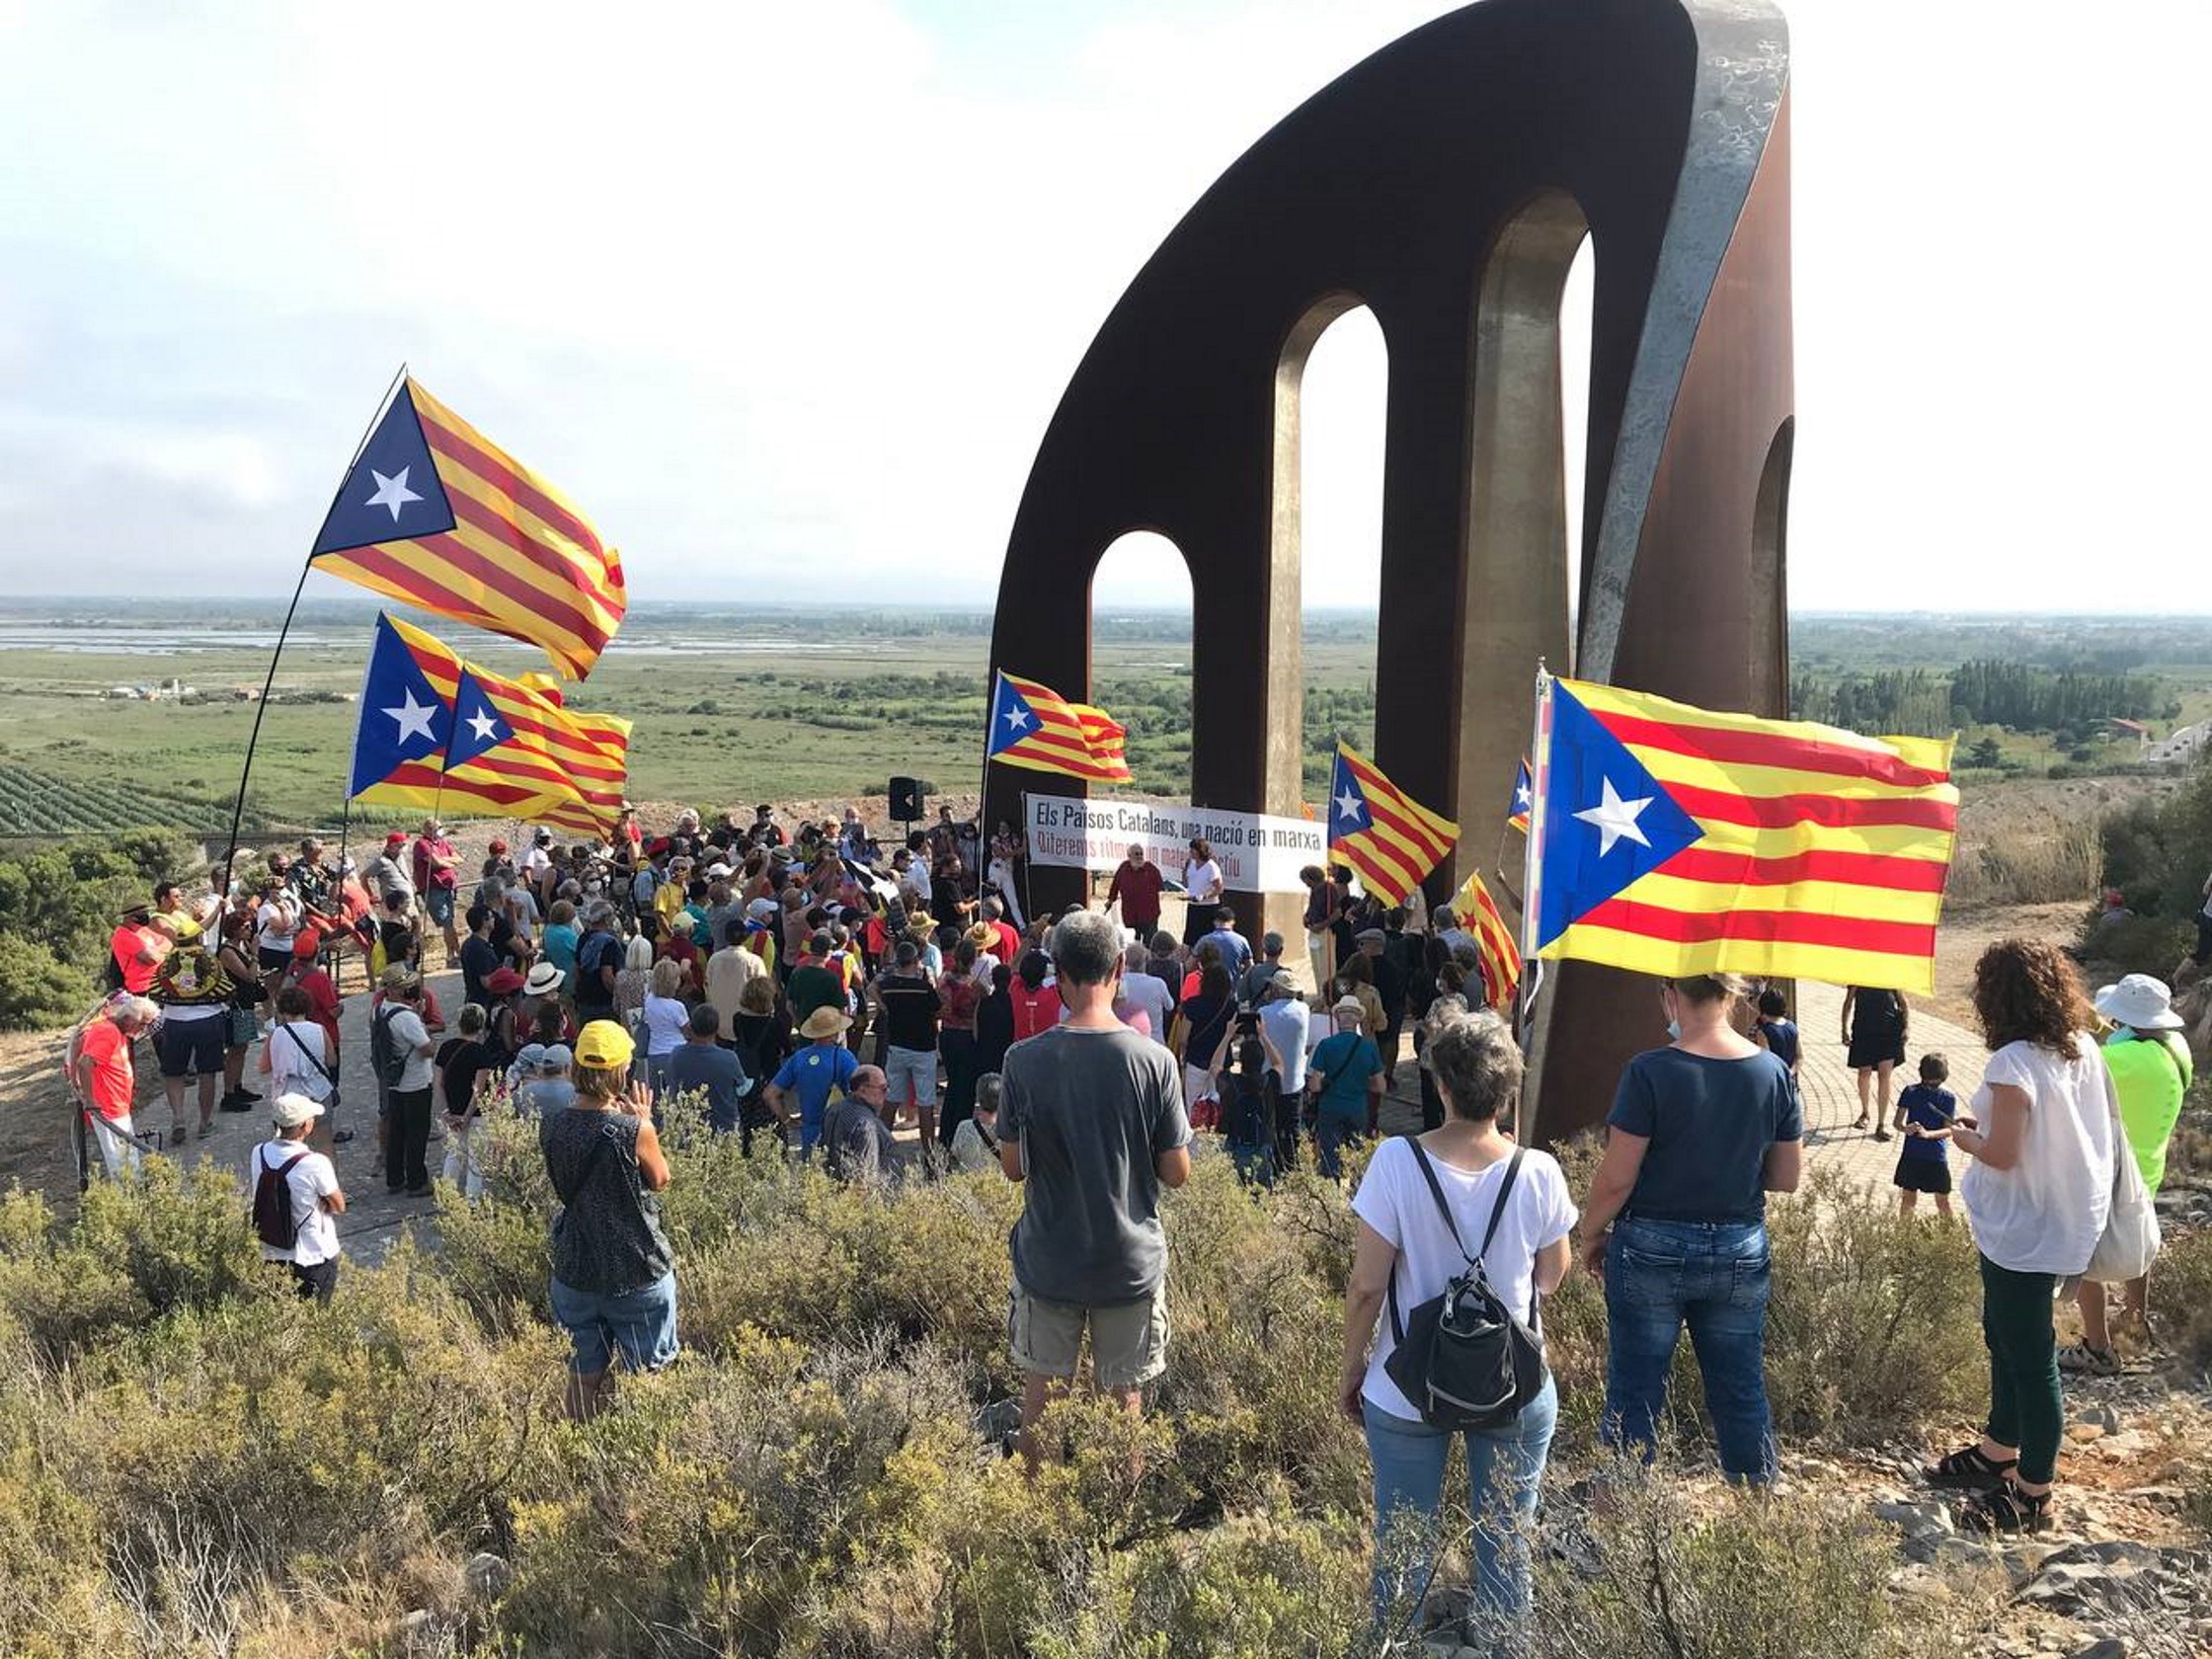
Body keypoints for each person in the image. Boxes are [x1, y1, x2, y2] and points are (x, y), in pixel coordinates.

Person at [1340, 1010, 1575, 1642]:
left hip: (1407, 1383)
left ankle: (1399, 1647)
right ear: (1506, 1090)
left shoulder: (1396, 1163)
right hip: (1513, 1384)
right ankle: (1502, 1646)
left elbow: (1366, 1286)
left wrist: (1353, 1368)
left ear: (1441, 1084)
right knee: (1506, 1542)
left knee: (1404, 1542)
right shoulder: (1539, 1171)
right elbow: (1551, 1277)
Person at [1923, 939, 2117, 1535]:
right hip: (2066, 1216)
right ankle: (1998, 1448)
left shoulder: (2011, 1062)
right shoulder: (2082, 1046)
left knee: (2029, 1357)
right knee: (2004, 1335)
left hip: (2023, 1226)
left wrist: (1964, 1138)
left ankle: (2032, 1493)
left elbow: (2003, 1154)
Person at [1578, 974, 1801, 1484]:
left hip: (1651, 1245)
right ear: (1731, 997)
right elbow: (1787, 1178)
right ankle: (1756, 1519)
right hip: (1739, 1246)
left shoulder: (1649, 1072)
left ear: (1670, 995)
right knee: (1740, 1388)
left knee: (1635, 1390)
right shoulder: (1772, 1072)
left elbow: (1616, 1178)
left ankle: (1618, 1516)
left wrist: (1591, 1234)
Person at [997, 910, 1192, 1464]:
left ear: (1058, 972)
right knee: (1122, 1411)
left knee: (1042, 1406)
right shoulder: (1154, 1062)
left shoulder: (1022, 1061)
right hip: (1127, 1260)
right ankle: (1115, 1535)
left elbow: (1013, 1168)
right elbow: (1176, 1172)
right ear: (1117, 970)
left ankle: (1037, 1533)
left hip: (1049, 1258)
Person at [541, 1020, 674, 1420]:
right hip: (636, 1267)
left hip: (575, 1266)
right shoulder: (634, 1129)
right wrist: (645, 1121)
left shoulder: (551, 1125)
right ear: (620, 1071)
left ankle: (575, 1451)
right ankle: (647, 1457)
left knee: (583, 1374)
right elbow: (661, 1180)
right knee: (649, 1375)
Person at [2066, 974, 2195, 1375]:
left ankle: (2097, 1346)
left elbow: (2076, 1075)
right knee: (2139, 1244)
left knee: (2084, 1255)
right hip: (2149, 1165)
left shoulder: (2123, 1059)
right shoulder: (2176, 1049)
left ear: (2127, 1023)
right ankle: (2135, 1320)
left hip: (2111, 1169)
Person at [252, 1092, 346, 1304]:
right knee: (316, 1321)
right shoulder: (316, 1163)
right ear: (305, 1126)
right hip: (312, 1255)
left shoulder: (258, 1153)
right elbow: (339, 1205)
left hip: (272, 1253)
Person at [150, 914, 231, 1144]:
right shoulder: (209, 959)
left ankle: (178, 1118)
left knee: (173, 1073)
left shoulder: (166, 962)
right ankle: (205, 1122)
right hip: (208, 1020)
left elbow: (155, 991)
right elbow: (226, 990)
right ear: (198, 936)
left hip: (175, 1022)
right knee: (207, 1072)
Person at [72, 995, 157, 1178]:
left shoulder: (114, 1029)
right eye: (142, 1024)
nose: (142, 1030)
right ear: (129, 1018)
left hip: (116, 1106)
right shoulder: (108, 1032)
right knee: (123, 1163)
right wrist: (90, 1100)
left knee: (127, 1158)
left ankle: (131, 1197)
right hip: (108, 1108)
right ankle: (128, 1200)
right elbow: (84, 1063)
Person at [372, 967, 438, 1198]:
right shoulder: (407, 1018)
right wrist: (422, 1025)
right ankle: (417, 1181)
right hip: (416, 1081)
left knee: (397, 1132)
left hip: (393, 1081)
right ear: (399, 989)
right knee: (417, 1133)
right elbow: (427, 1050)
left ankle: (395, 1177)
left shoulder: (380, 1011)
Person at [766, 1006, 859, 1157]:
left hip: (809, 1131)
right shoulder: (845, 1058)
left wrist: (787, 1119)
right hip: (838, 1128)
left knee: (810, 1174)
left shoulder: (799, 1058)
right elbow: (859, 1093)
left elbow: (769, 1094)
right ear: (835, 1033)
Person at [1308, 997, 1384, 1177]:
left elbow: (1315, 1085)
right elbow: (1380, 1086)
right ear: (1358, 1019)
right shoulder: (1369, 1047)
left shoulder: (1326, 1045)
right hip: (1358, 1108)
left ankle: (1330, 1195)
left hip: (1330, 1109)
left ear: (1337, 1018)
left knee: (1329, 1158)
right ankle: (1355, 1194)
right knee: (1357, 1157)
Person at [870, 940, 941, 1134]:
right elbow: (938, 1010)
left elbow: (871, 987)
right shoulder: (924, 988)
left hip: (897, 1046)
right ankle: (930, 1156)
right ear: (915, 961)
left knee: (892, 1099)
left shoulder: (888, 985)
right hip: (923, 1049)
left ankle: (881, 1145)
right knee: (926, 1104)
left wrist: (883, 1007)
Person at [263, 985, 338, 1147]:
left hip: (287, 1097)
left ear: (282, 1009)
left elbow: (264, 1067)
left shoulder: (276, 1034)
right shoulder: (319, 1030)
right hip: (319, 1092)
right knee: (325, 1145)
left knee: (290, 1149)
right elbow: (332, 1061)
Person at [435, 1003, 497, 1199]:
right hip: (475, 1115)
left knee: (454, 1154)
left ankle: (447, 1196)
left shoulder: (445, 1048)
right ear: (481, 1026)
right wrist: (466, 1116)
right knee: (475, 1158)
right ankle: (473, 1200)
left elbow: (438, 1083)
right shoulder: (481, 1052)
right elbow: (478, 1090)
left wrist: (446, 1112)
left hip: (452, 1111)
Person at [1171, 961, 1237, 1132]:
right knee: (1219, 1109)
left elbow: (1183, 1038)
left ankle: (1194, 1152)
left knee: (1193, 1108)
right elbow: (1234, 1034)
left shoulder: (1193, 1005)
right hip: (1222, 1064)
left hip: (1197, 1060)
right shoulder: (1231, 1006)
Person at [666, 1001, 750, 1134]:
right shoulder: (729, 1058)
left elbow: (671, 1083)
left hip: (688, 1129)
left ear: (691, 1028)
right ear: (717, 1030)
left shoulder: (676, 1055)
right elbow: (743, 1089)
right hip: (724, 1128)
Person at [1892, 1053, 1958, 1219]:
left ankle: (1951, 1234)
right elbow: (1898, 1123)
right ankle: (1904, 1236)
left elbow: (1949, 1130)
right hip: (1915, 1155)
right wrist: (1906, 1128)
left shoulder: (1947, 1098)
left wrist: (1928, 1134)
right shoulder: (1911, 1092)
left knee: (1942, 1200)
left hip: (1933, 1157)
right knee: (1909, 1199)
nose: (1931, 1085)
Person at [1256, 977, 1311, 1169]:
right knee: (1291, 1128)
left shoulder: (1264, 1012)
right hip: (1294, 1080)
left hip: (1270, 1077)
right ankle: (1290, 1166)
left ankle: (1270, 1165)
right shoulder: (1303, 1010)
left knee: (1269, 1125)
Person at [1842, 984, 1908, 1138]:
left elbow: (1903, 1004)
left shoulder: (1891, 974)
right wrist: (1844, 1028)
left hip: (1889, 1031)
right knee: (1863, 1074)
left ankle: (1881, 1123)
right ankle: (1865, 1112)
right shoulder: (1859, 974)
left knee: (1885, 1076)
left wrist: (1907, 1027)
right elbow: (1848, 1003)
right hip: (1863, 1030)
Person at [824, 1064, 901, 1186]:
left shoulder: (833, 1109)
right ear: (863, 1089)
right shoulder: (866, 1125)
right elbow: (865, 1177)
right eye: (883, 1088)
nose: (887, 1092)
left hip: (831, 1188)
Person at [1217, 1035, 1277, 1187]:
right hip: (1261, 1144)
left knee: (1234, 1192)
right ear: (1262, 1060)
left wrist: (1227, 1035)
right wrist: (1264, 1035)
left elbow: (1214, 1065)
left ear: (1240, 1059)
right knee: (1262, 1194)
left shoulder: (1229, 1081)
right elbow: (1279, 1063)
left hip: (1235, 1143)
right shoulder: (1269, 1081)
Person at [412, 818, 462, 966]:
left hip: (448, 887)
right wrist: (447, 862)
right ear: (428, 829)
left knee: (450, 921)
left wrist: (444, 860)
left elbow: (459, 858)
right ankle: (455, 955)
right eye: (438, 827)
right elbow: (436, 862)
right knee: (446, 922)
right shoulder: (421, 844)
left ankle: (452, 954)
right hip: (434, 888)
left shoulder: (442, 843)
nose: (441, 829)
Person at [640, 959, 690, 1098]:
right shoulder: (677, 1007)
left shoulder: (649, 1000)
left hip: (654, 1052)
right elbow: (688, 1032)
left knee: (656, 1097)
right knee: (675, 1096)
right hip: (675, 1052)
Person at [1117, 942, 1175, 1042]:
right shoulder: (1158, 984)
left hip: (1126, 1041)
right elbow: (1170, 1006)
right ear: (1146, 961)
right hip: (1155, 1041)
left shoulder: (1118, 983)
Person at [1106, 843, 1164, 940]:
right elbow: (1115, 885)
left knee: (1149, 946)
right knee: (1132, 946)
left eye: (1141, 854)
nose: (1140, 856)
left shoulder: (1151, 869)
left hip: (1149, 915)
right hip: (1130, 915)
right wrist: (1110, 900)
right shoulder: (1123, 868)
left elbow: (1161, 888)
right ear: (1129, 856)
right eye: (1137, 854)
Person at [949, 1071, 1003, 1173]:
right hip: (1002, 1185)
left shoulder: (964, 1127)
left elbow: (955, 1157)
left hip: (971, 1184)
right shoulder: (1010, 1131)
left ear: (978, 1097)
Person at [1750, 987, 1801, 1085]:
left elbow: (1766, 1062)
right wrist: (1790, 1073)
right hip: (1791, 1082)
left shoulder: (1764, 1032)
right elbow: (1799, 1057)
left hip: (1773, 1082)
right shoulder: (1792, 1026)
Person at [1179, 838, 1224, 948]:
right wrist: (1184, 871)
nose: (1190, 852)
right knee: (1191, 939)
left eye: (1193, 850)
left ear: (1200, 851)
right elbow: (1186, 884)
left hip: (1208, 908)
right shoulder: (1191, 863)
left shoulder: (1211, 867)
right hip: (1193, 906)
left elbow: (1219, 888)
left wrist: (1204, 896)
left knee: (1207, 940)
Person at [1009, 950, 1063, 1042]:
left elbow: (1015, 968)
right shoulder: (1054, 994)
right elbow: (1062, 976)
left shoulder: (1015, 991)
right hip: (1047, 1048)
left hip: (1021, 1048)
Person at [1200, 907, 1252, 977]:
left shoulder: (1204, 940)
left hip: (1208, 985)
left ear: (1215, 922)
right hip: (1233, 986)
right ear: (1233, 922)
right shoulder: (1242, 940)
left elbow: (1189, 966)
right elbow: (1250, 968)